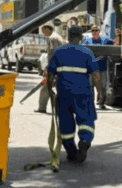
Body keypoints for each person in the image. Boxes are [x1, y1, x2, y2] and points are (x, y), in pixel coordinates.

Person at [47, 25, 103, 163]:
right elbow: (96, 74)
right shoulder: (87, 52)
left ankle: (71, 151)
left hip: (64, 92)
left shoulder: (59, 52)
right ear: (81, 37)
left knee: (65, 121)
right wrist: (100, 92)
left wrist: (49, 88)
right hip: (83, 93)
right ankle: (84, 140)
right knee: (86, 120)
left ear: (69, 36)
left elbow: (49, 72)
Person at [37, 21, 67, 114]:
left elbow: (55, 53)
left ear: (47, 29)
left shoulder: (52, 38)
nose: (43, 33)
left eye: (43, 30)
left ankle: (42, 108)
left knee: (46, 87)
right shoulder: (57, 36)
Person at [87, 24, 115, 108]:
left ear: (99, 31)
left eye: (96, 30)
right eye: (93, 30)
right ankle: (90, 103)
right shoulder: (87, 41)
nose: (95, 32)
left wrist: (118, 35)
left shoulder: (105, 40)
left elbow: (115, 44)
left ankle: (101, 103)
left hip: (102, 67)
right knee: (90, 85)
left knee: (103, 86)